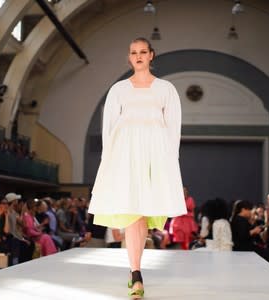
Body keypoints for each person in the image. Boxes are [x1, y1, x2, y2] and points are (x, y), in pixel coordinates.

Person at [88, 37, 187, 298]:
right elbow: (108, 126)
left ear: (151, 55)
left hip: (155, 154)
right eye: (134, 52)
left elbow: (173, 126)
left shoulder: (165, 88)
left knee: (142, 214)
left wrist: (170, 160)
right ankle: (136, 274)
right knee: (132, 212)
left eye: (143, 51)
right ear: (129, 57)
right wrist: (107, 160)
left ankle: (136, 271)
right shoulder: (119, 89)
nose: (139, 56)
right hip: (124, 153)